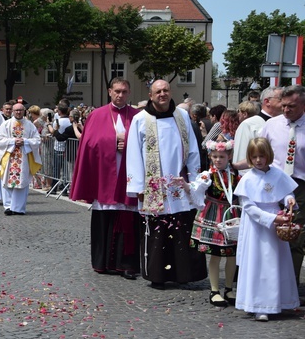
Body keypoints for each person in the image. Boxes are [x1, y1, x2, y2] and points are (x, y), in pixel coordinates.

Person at [125, 79, 207, 288]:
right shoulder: (140, 120)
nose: (162, 94)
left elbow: (193, 150)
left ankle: (183, 274)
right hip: (153, 185)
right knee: (158, 231)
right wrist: (138, 187)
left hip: (179, 183)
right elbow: (133, 154)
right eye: (158, 91)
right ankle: (158, 275)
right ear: (151, 96)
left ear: (171, 93)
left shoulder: (182, 117)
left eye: (166, 90)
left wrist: (195, 179)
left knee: (182, 228)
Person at [70, 78, 141, 279]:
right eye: (117, 91)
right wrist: (112, 144)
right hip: (104, 178)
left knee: (127, 222)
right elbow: (89, 145)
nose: (120, 95)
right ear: (110, 91)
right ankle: (103, 263)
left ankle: (126, 264)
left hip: (128, 178)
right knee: (105, 221)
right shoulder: (96, 115)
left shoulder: (137, 116)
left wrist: (126, 145)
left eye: (125, 91)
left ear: (129, 93)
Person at [234, 138, 299, 321]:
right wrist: (271, 219)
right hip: (257, 227)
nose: (258, 160)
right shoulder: (247, 179)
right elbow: (249, 207)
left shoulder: (278, 174)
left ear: (268, 155)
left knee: (276, 263)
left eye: (261, 156)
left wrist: (289, 200)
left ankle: (280, 301)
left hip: (276, 224)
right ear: (249, 158)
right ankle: (258, 304)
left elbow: (286, 192)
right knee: (258, 263)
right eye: (254, 157)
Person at [259, 85, 305, 297]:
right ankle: (267, 286)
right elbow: (258, 152)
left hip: (300, 186)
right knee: (269, 234)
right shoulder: (271, 125)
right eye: (284, 106)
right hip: (273, 184)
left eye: (292, 107)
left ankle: (290, 290)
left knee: (295, 236)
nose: (286, 110)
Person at [189, 140, 240, 306]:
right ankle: (214, 290)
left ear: (229, 157)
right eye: (215, 156)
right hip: (213, 214)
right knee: (216, 254)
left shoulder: (235, 175)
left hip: (231, 214)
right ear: (210, 157)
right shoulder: (208, 175)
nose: (218, 160)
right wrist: (186, 186)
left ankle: (229, 288)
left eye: (222, 157)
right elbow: (196, 188)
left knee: (232, 254)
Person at [0, 103, 41, 215]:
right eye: (16, 110)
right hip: (9, 157)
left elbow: (37, 140)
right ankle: (8, 206)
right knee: (7, 181)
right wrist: (13, 141)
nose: (18, 112)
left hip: (23, 158)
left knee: (22, 182)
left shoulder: (30, 125)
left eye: (20, 110)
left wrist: (25, 141)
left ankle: (19, 208)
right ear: (12, 111)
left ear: (24, 111)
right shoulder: (6, 124)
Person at [231, 101, 265, 173]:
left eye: (239, 111)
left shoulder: (245, 124)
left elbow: (241, 150)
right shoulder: (262, 121)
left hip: (246, 170)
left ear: (245, 114)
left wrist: (239, 171)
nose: (237, 114)